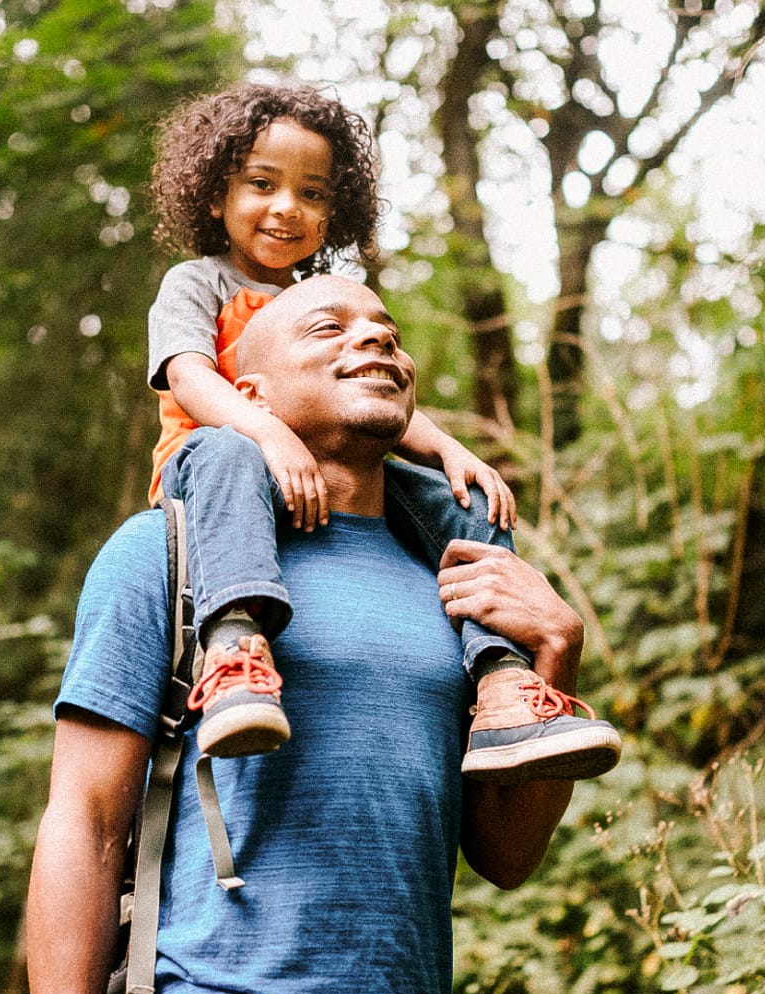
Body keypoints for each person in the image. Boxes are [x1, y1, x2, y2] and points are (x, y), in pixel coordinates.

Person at [20, 275, 613, 994]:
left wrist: (554, 653)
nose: (376, 339)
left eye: (388, 329)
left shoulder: (456, 581)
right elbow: (82, 822)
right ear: (245, 395)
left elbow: (505, 855)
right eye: (329, 326)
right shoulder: (165, 554)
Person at [145, 81, 620, 781]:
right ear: (215, 195)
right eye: (262, 184)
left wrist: (450, 451)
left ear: (334, 213)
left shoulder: (324, 295)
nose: (287, 208)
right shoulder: (197, 283)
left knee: (462, 499)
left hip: (324, 476)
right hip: (216, 476)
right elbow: (189, 378)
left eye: (312, 194)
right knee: (225, 448)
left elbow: (373, 397)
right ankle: (236, 650)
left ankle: (502, 683)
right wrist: (268, 434)